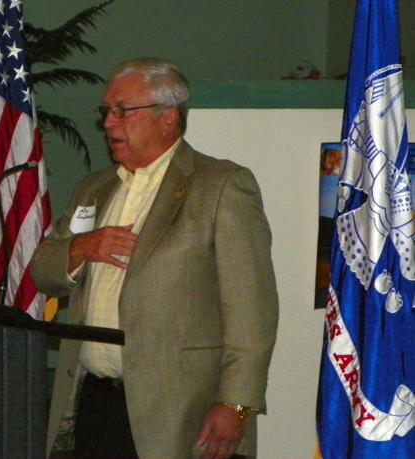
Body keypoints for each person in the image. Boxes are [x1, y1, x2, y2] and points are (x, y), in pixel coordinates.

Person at [31, 57, 279, 459]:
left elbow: (252, 309)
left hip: (183, 411)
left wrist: (237, 404)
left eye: (121, 110)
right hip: (94, 401)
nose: (108, 123)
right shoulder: (92, 189)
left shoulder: (221, 186)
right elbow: (43, 271)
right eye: (106, 111)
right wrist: (82, 247)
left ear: (167, 118)